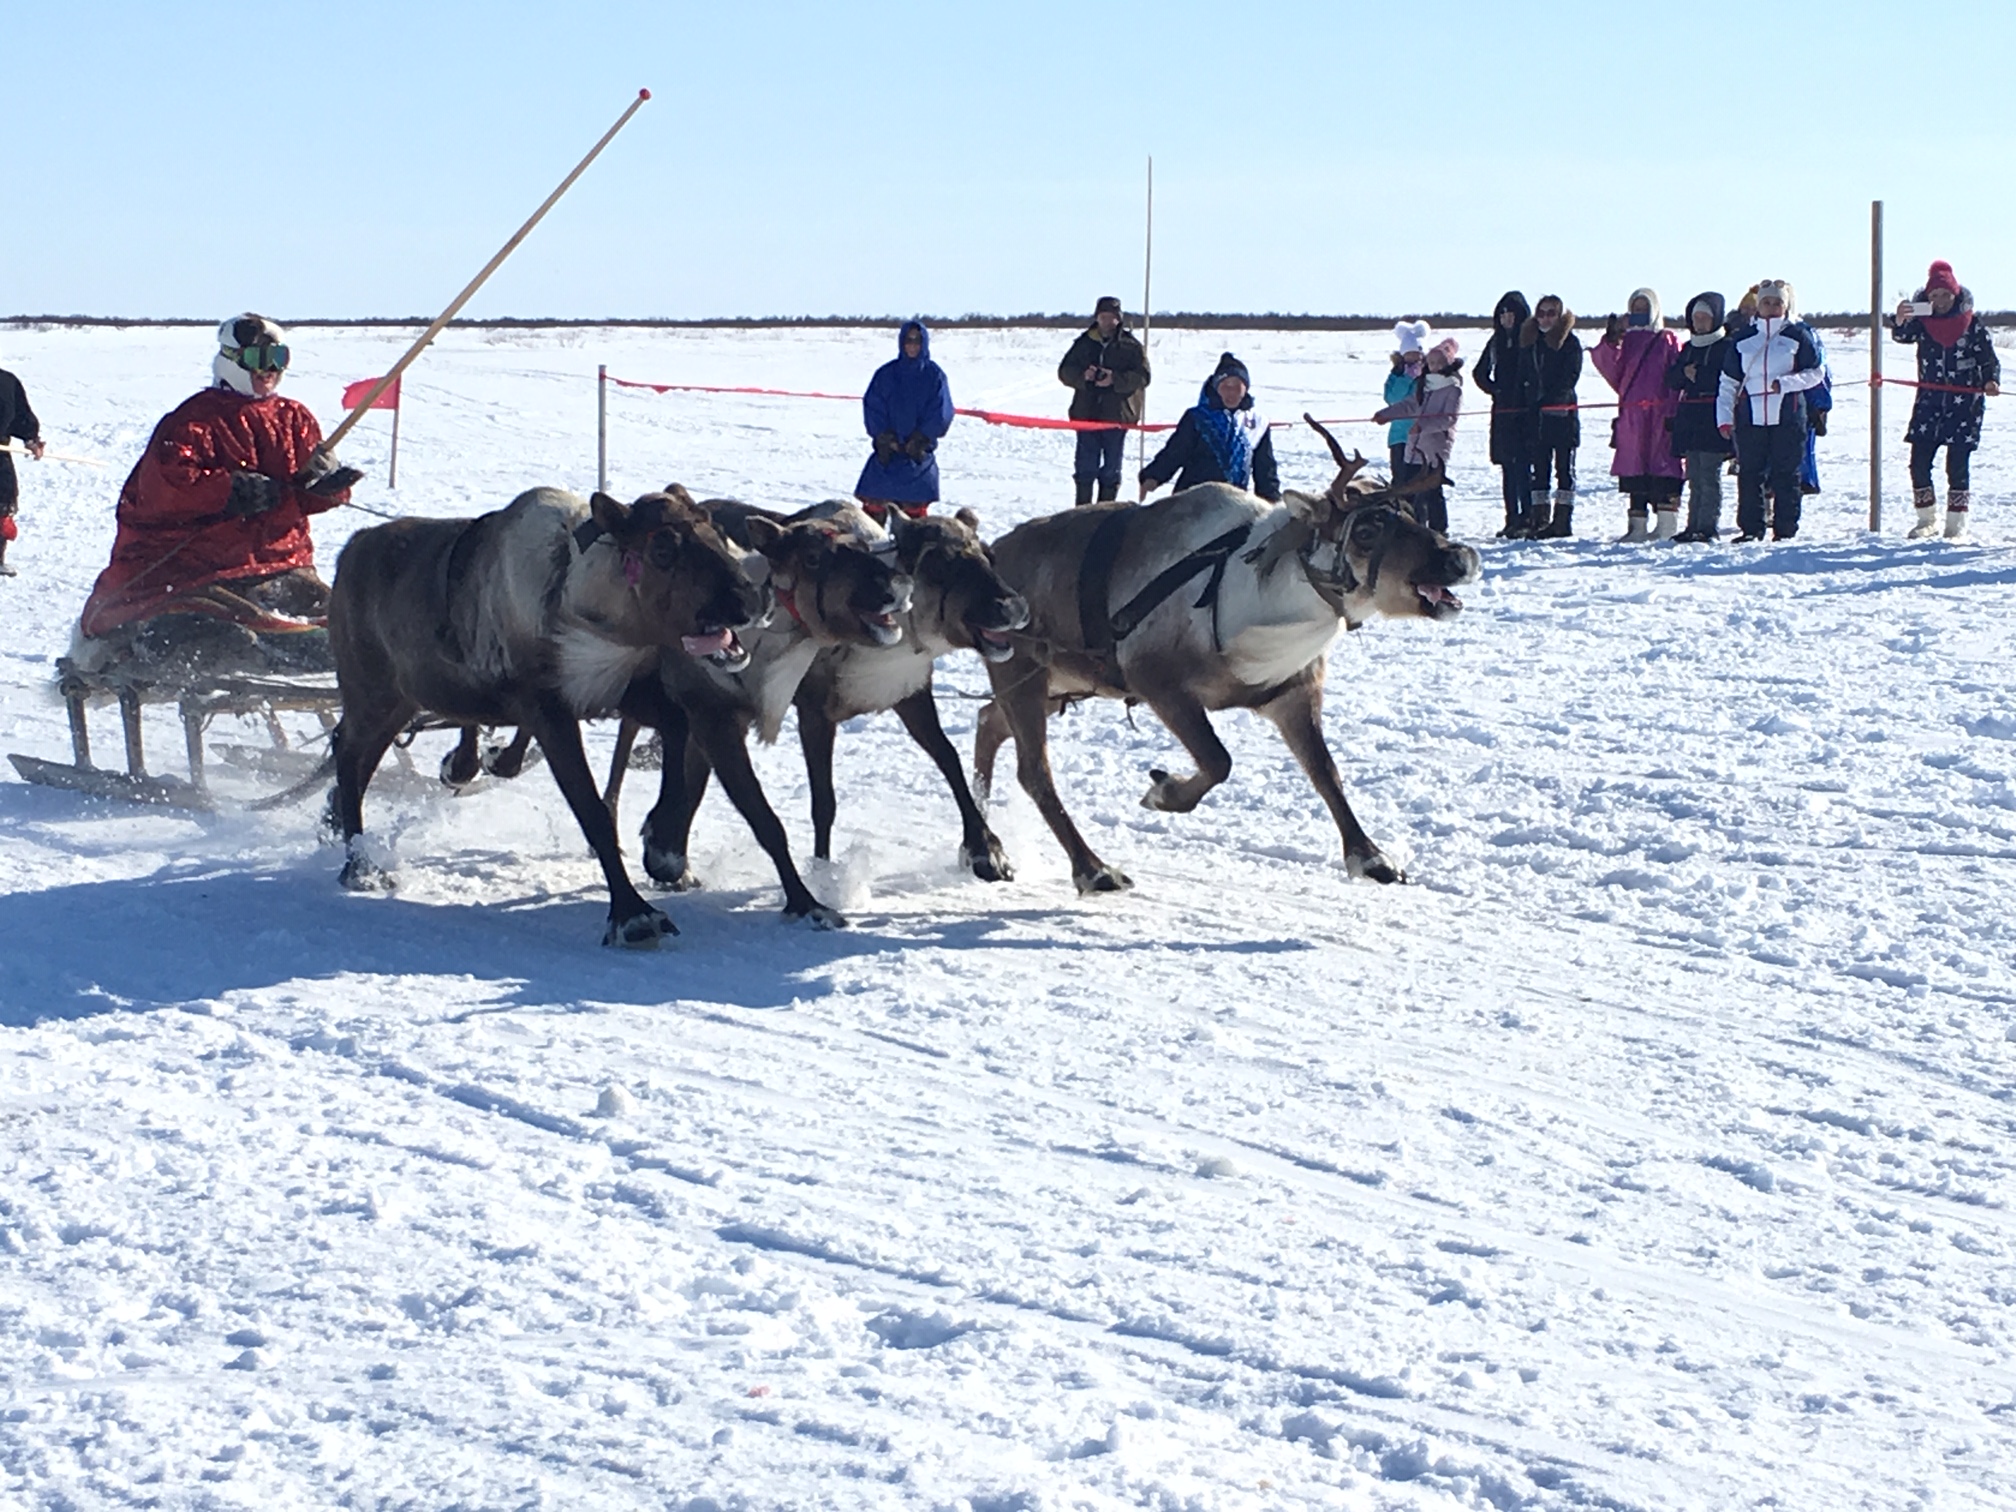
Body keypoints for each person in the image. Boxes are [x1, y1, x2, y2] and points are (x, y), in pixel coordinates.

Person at [74, 315, 361, 677]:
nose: (269, 370)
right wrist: (229, 490)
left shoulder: (295, 418)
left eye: (279, 358)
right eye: (259, 359)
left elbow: (301, 497)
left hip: (282, 566)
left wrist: (326, 488)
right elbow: (163, 491)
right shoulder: (193, 421)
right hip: (198, 569)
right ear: (231, 358)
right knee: (229, 633)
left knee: (352, 622)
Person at [1892, 259, 2001, 539]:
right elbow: (1902, 336)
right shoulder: (1923, 322)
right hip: (1929, 404)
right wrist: (1902, 319)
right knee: (1919, 462)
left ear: (1955, 294)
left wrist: (1990, 381)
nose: (1940, 301)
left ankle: (1956, 524)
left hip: (1965, 406)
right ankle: (1926, 519)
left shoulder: (1971, 324)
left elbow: (1988, 359)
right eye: (1934, 296)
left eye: (1945, 295)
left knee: (1957, 465)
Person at [1715, 279, 1825, 543]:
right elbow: (1729, 382)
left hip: (1788, 415)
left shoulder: (1797, 335)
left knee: (1786, 474)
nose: (1772, 307)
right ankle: (1751, 528)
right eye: (1766, 302)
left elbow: (1816, 373)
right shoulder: (1743, 340)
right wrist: (1724, 418)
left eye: (1777, 303)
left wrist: (1785, 384)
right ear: (1758, 305)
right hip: (1751, 417)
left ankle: (1785, 529)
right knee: (1750, 473)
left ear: (1785, 306)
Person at [1592, 288, 1683, 541]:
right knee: (1634, 468)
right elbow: (1614, 373)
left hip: (1660, 415)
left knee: (1664, 467)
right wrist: (1611, 342)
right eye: (1636, 309)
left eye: (1645, 308)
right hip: (1633, 416)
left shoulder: (1666, 340)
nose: (1640, 313)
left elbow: (1676, 378)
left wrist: (1673, 412)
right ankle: (1637, 525)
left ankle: (1666, 524)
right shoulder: (1627, 342)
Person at [1139, 352, 1280, 503]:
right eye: (1225, 386)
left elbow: (1265, 468)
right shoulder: (1197, 417)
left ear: (1245, 388)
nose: (1231, 392)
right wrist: (1153, 476)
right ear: (1216, 387)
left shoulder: (1257, 423)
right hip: (1192, 498)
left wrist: (1271, 499)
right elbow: (1176, 451)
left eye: (1237, 386)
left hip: (1233, 503)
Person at [855, 319, 954, 523]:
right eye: (908, 340)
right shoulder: (885, 374)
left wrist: (921, 438)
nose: (912, 345)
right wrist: (884, 437)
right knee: (871, 514)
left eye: (917, 341)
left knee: (914, 525)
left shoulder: (934, 376)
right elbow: (873, 407)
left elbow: (941, 412)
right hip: (886, 456)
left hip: (917, 457)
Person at [1057, 296, 1151, 505]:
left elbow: (1143, 377)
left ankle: (1105, 511)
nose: (1107, 321)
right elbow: (1064, 371)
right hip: (1086, 414)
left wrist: (1114, 379)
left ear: (1119, 319)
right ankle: (1081, 512)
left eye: (1112, 317)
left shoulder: (1131, 347)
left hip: (1116, 416)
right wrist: (1084, 376)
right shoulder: (1083, 343)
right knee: (1085, 467)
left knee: (1111, 469)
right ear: (1097, 317)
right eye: (1103, 316)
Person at [1371, 337, 1464, 532]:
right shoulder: (1425, 384)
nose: (1435, 367)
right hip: (1413, 446)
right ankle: (1413, 528)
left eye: (1440, 363)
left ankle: (1439, 530)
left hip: (1435, 447)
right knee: (1410, 488)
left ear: (1448, 364)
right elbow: (1410, 405)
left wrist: (1423, 426)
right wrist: (1387, 415)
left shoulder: (1452, 388)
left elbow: (1448, 419)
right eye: (1431, 363)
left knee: (1431, 490)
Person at [1665, 292, 1734, 542]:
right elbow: (1671, 379)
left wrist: (1700, 375)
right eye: (1696, 318)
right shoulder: (1689, 347)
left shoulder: (1726, 346)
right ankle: (1692, 524)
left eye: (1705, 317)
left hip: (1713, 419)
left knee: (1709, 475)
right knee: (1693, 475)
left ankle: (1707, 525)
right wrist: (1684, 372)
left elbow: (1727, 379)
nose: (1700, 322)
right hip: (1691, 419)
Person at [1472, 291, 1536, 537]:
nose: (1507, 318)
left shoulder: (1529, 339)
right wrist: (1495, 390)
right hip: (1503, 413)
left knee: (1524, 468)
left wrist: (1529, 393)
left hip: (1525, 412)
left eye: (1511, 314)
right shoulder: (1496, 342)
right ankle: (1512, 518)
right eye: (1503, 314)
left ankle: (1528, 517)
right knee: (1508, 468)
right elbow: (1480, 372)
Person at [1520, 295, 1582, 538]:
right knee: (1540, 469)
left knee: (1564, 469)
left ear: (1559, 316)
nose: (1545, 318)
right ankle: (1539, 518)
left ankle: (1562, 521)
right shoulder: (1530, 342)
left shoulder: (1570, 343)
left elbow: (1570, 377)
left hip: (1562, 417)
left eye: (1551, 313)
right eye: (1542, 313)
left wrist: (1548, 399)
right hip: (1536, 419)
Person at [0, 364, 45, 577]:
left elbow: (21, 415)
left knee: (3, 504)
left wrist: (32, 439)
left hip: (0, 453)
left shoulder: (7, 382)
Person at [1384, 320, 1432, 482]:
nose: (1414, 357)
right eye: (1410, 353)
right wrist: (1405, 378)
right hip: (1400, 436)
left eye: (1418, 353)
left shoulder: (1430, 374)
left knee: (1420, 479)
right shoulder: (1396, 375)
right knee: (1400, 479)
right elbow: (1393, 399)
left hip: (1422, 436)